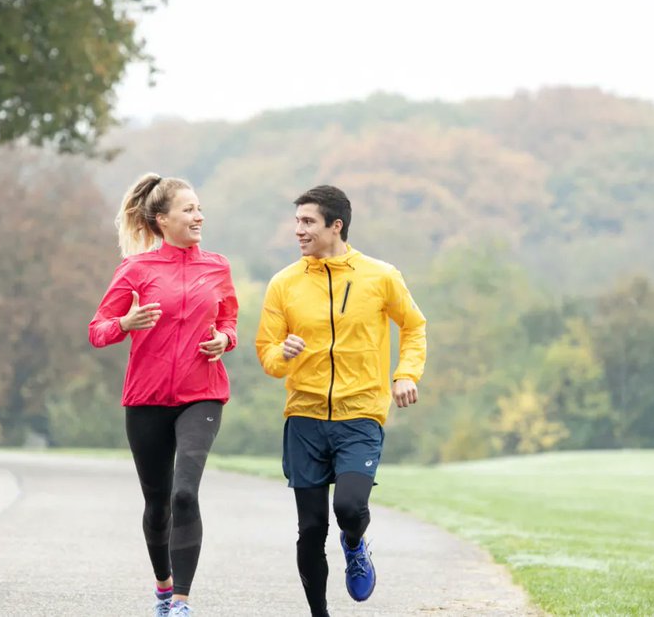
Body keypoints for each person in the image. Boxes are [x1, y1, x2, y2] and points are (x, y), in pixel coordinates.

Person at [255, 185, 427, 617]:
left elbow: (413, 326)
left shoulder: (380, 276)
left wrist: (405, 374)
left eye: (308, 222)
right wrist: (283, 354)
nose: (298, 230)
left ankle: (354, 543)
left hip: (361, 414)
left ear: (336, 225)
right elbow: (268, 356)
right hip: (305, 417)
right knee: (311, 529)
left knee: (349, 508)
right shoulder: (284, 283)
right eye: (297, 221)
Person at [89, 174, 238, 617]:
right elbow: (97, 330)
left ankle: (181, 602)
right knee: (157, 505)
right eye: (189, 209)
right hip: (146, 400)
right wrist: (125, 324)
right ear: (162, 220)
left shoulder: (218, 266)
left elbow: (229, 320)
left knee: (184, 495)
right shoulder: (136, 270)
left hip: (202, 393)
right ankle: (163, 586)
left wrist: (225, 340)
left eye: (199, 208)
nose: (199, 216)